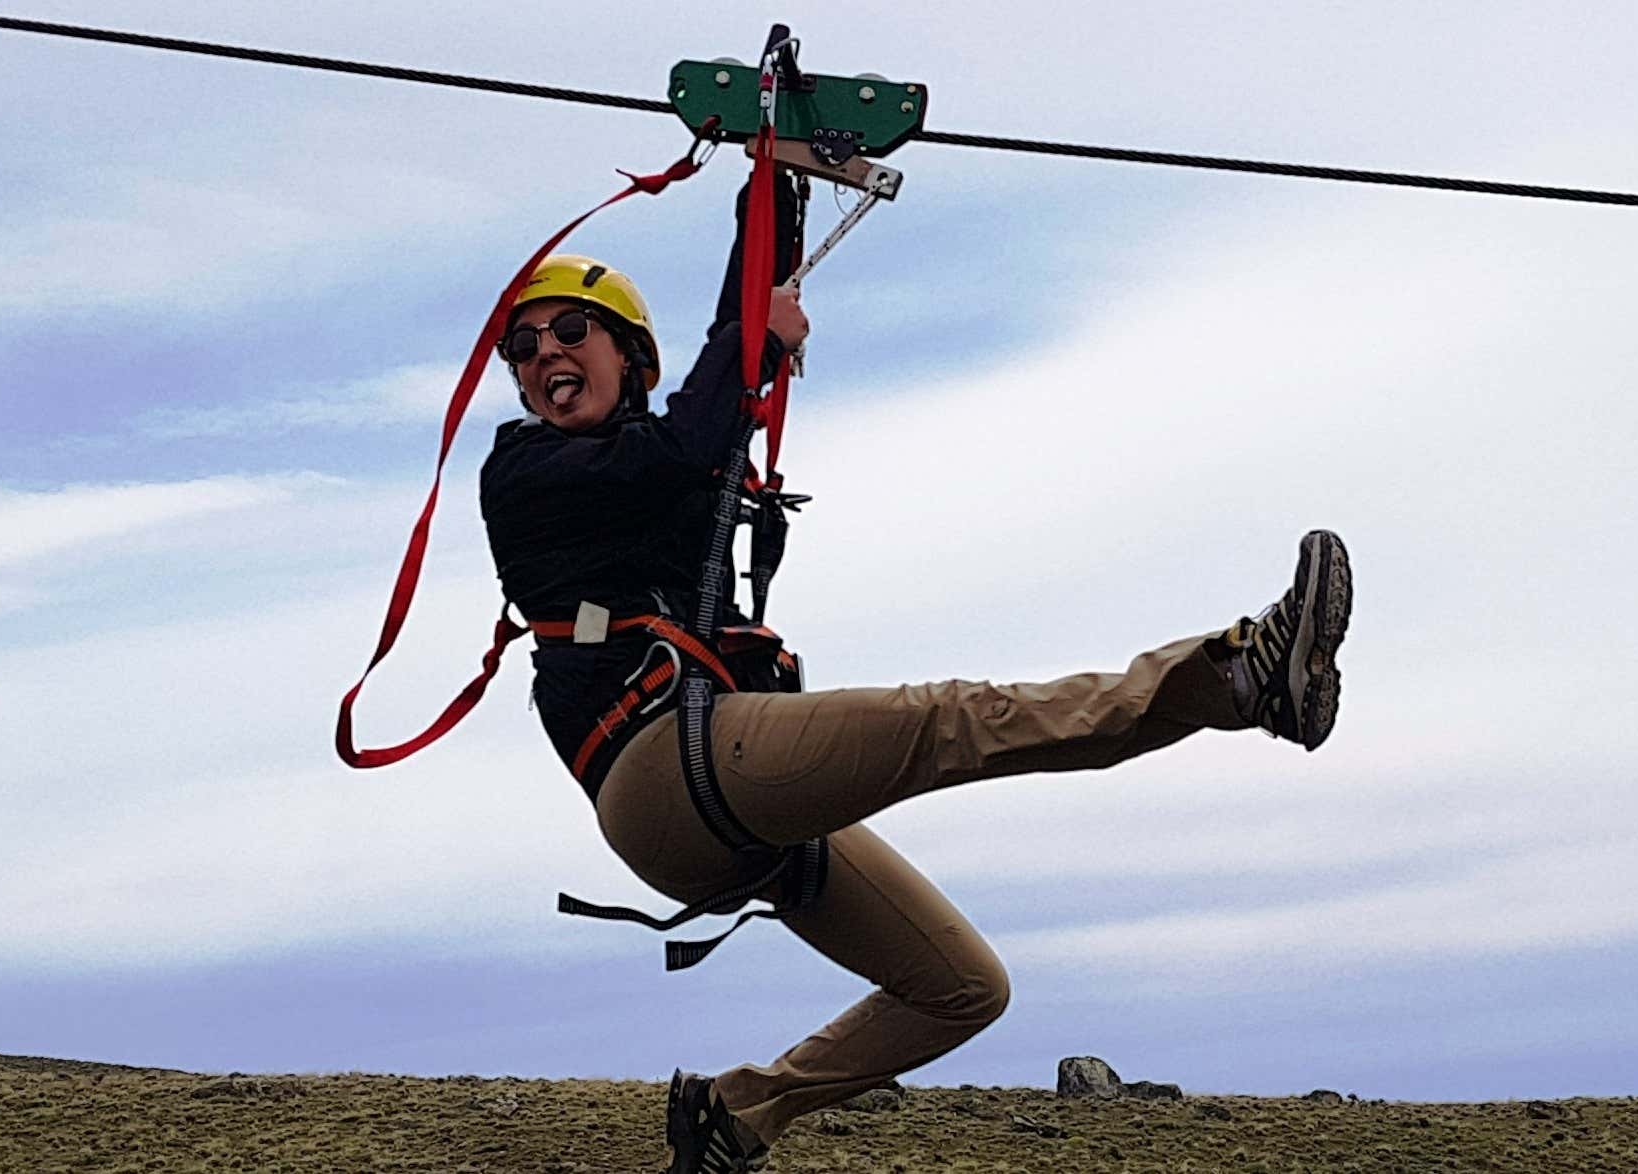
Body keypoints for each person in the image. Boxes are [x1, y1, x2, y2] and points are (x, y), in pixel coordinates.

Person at [474, 173, 1351, 1172]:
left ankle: (736, 1114)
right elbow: (695, 433)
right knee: (955, 719)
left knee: (964, 987)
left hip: (725, 793)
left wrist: (774, 186)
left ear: (627, 354)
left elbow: (727, 360)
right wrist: (751, 330)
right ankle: (1238, 677)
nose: (543, 353)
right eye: (522, 346)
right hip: (661, 771)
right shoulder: (525, 475)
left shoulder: (658, 463)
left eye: (568, 331)